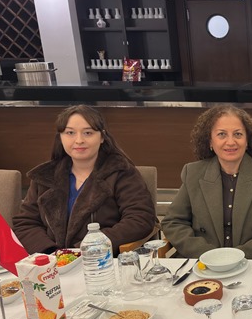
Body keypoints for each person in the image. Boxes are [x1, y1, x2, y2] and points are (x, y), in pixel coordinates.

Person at [14, 105, 157, 255]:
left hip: (101, 260)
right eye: (70, 133)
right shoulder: (44, 176)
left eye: (88, 133)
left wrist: (87, 248)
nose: (79, 140)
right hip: (51, 262)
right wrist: (52, 252)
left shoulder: (121, 172)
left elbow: (140, 219)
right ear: (60, 137)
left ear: (102, 137)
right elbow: (25, 223)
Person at [161, 104, 252, 259]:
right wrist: (207, 254)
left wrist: (244, 254)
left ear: (247, 140)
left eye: (238, 134)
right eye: (222, 134)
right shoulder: (192, 173)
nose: (231, 142)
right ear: (210, 141)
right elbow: (173, 222)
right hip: (203, 261)